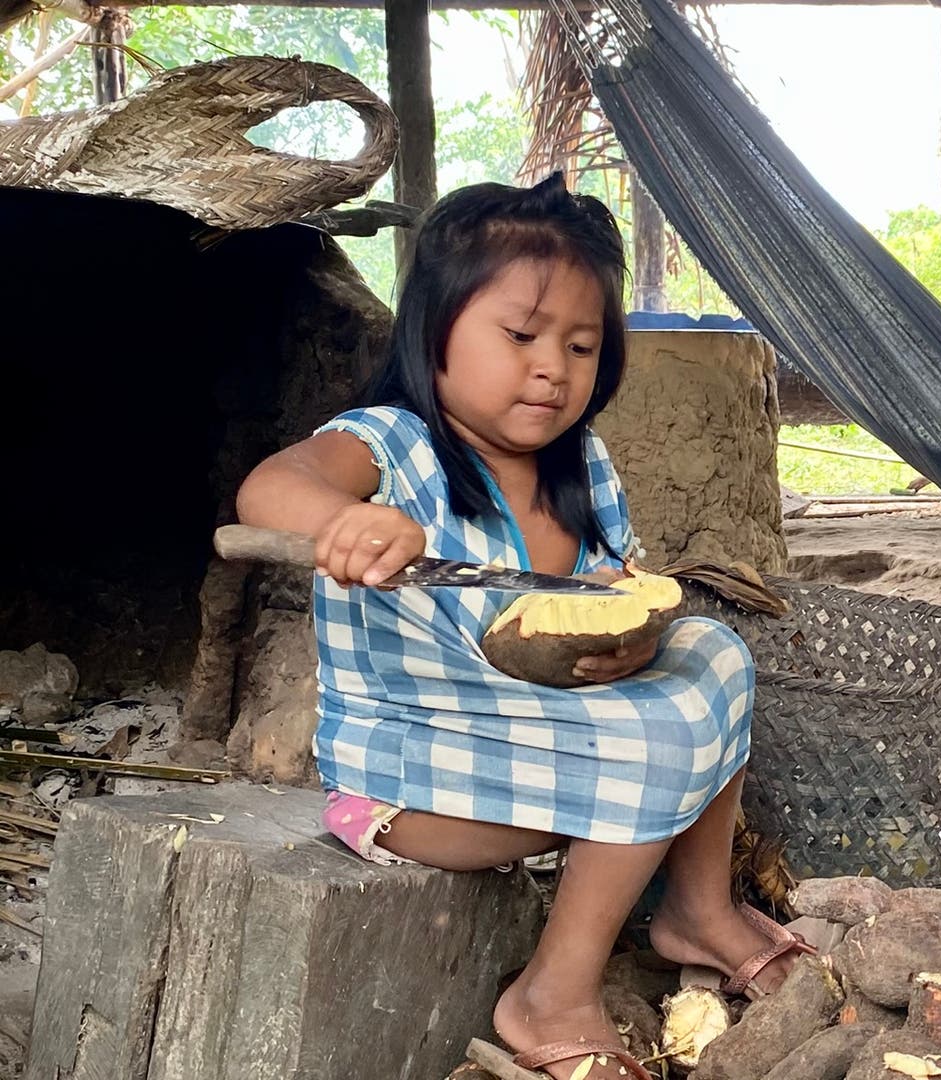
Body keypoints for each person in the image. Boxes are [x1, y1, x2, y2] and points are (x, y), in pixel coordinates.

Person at [236, 176, 805, 1080]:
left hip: (548, 758)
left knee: (718, 651)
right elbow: (272, 483)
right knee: (656, 733)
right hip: (414, 784)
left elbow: (602, 596)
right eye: (521, 336)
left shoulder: (582, 466)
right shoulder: (393, 447)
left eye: (581, 345)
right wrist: (340, 521)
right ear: (434, 333)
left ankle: (697, 909)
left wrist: (629, 622)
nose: (554, 367)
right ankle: (550, 994)